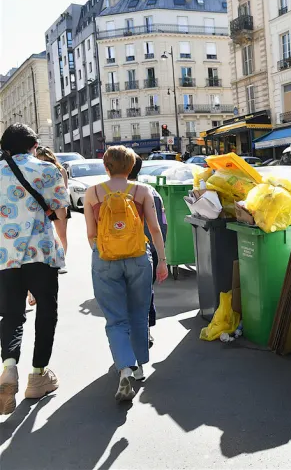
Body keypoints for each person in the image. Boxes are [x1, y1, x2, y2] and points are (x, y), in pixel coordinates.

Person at [84, 146, 168, 402]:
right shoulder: (142, 191)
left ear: (105, 166)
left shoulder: (92, 193)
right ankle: (139, 367)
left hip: (105, 259)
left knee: (115, 319)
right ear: (131, 167)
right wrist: (162, 261)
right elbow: (154, 229)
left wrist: (103, 252)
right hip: (138, 257)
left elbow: (90, 233)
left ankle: (124, 367)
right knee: (139, 313)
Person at [0, 124, 68, 415]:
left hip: (5, 256)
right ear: (32, 146)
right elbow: (60, 210)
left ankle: (8, 367)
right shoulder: (47, 170)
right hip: (40, 252)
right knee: (46, 311)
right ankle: (38, 375)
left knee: (12, 314)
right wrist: (62, 245)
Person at [127, 156, 168, 348]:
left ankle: (127, 335)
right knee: (144, 294)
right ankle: (145, 331)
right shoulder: (150, 192)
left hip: (114, 255)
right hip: (146, 254)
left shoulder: (104, 192)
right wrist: (161, 257)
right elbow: (160, 226)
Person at [35, 146, 70, 276]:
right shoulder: (35, 171)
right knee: (47, 234)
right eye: (41, 160)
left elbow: (64, 189)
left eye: (47, 160)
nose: (45, 163)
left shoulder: (60, 170)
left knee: (62, 235)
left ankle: (62, 262)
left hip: (59, 204)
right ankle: (47, 261)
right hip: (43, 206)